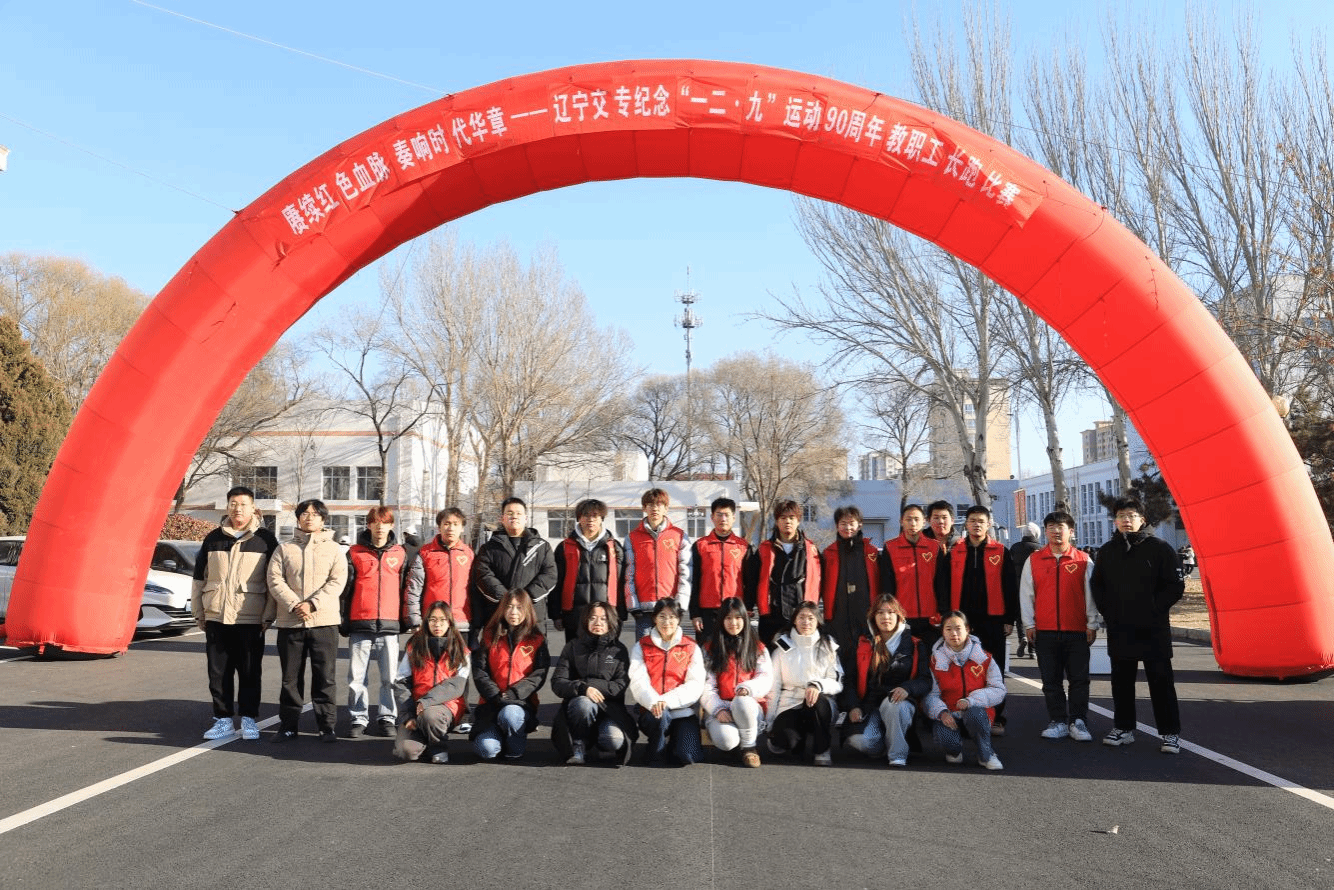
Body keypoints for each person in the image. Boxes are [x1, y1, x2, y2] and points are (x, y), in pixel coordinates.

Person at [1090, 496, 1185, 754]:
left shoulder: (1160, 548)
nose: (1126, 520)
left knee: (1161, 682)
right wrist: (1109, 611)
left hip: (1154, 628)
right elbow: (1097, 585)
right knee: (1121, 682)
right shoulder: (1108, 551)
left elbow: (1175, 586)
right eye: (1121, 516)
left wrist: (1153, 607)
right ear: (1115, 521)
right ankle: (1123, 728)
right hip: (1121, 628)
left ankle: (1170, 733)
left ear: (1142, 519)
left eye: (1131, 515)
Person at [193, 486, 278, 741]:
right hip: (217, 615)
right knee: (218, 672)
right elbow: (199, 578)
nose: (237, 509)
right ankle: (223, 720)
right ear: (227, 506)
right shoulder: (213, 538)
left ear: (253, 508)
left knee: (250, 671)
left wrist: (268, 616)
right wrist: (199, 612)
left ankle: (249, 719)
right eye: (233, 503)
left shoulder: (265, 540)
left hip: (250, 617)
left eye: (243, 504)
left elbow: (273, 582)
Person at [266, 498, 348, 743]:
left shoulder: (334, 550)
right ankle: (288, 726)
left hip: (324, 622)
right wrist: (294, 604)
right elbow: (274, 579)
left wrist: (312, 604)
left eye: (315, 514)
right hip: (290, 623)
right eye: (304, 513)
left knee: (325, 677)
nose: (309, 517)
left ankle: (326, 726)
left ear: (323, 519)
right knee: (290, 678)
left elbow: (337, 582)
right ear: (298, 518)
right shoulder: (284, 549)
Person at [1020, 511, 1100, 742]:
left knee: (1079, 680)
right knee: (1051, 681)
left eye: (1061, 527)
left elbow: (1090, 596)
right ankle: (1057, 721)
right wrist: (1029, 624)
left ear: (1071, 531)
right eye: (1051, 527)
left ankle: (1078, 721)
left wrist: (1092, 623)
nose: (1056, 531)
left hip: (1077, 631)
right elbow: (1026, 595)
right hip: (1045, 631)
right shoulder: (1033, 560)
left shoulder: (1083, 560)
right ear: (1045, 531)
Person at [941, 505, 1018, 734]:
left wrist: (1009, 618)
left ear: (988, 525)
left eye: (981, 521)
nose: (976, 525)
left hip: (993, 619)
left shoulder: (1001, 551)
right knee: (961, 668)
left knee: (994, 669)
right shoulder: (955, 551)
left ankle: (996, 717)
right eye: (972, 520)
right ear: (966, 524)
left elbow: (1010, 586)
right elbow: (944, 586)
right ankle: (961, 715)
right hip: (961, 622)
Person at [340, 506, 409, 738]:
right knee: (356, 678)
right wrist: (343, 619)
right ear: (368, 525)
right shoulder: (354, 552)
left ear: (392, 525)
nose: (380, 527)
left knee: (390, 678)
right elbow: (345, 590)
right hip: (360, 623)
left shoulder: (400, 553)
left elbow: (405, 589)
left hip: (389, 625)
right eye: (375, 522)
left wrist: (405, 619)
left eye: (385, 522)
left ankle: (387, 717)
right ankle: (358, 718)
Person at [841, 595, 931, 767]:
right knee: (861, 742)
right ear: (873, 617)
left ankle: (897, 755)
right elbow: (849, 680)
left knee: (894, 704)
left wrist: (907, 689)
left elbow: (925, 680)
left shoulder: (915, 644)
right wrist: (853, 706)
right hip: (869, 706)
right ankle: (884, 743)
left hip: (900, 704)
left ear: (899, 616)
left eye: (890, 612)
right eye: (880, 612)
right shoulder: (861, 643)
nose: (885, 617)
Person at [550, 601, 638, 766]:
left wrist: (591, 685)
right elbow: (557, 682)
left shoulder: (619, 650)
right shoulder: (572, 647)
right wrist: (583, 688)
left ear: (611, 621)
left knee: (613, 740)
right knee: (584, 703)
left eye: (603, 619)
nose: (598, 623)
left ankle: (599, 741)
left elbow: (620, 686)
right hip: (579, 707)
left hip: (610, 708)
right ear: (585, 621)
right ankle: (579, 743)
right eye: (593, 618)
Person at [469, 589, 550, 761]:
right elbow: (479, 671)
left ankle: (515, 747)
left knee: (510, 714)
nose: (514, 612)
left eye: (519, 608)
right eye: (509, 607)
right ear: (502, 609)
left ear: (527, 610)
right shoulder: (489, 636)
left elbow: (539, 673)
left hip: (520, 704)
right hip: (491, 703)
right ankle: (498, 736)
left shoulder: (537, 639)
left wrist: (515, 693)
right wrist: (495, 694)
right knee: (486, 750)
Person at [924, 611, 1007, 770]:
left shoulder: (985, 658)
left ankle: (986, 754)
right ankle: (954, 751)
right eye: (948, 629)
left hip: (978, 712)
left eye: (958, 628)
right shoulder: (935, 661)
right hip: (950, 714)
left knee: (975, 713)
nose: (954, 634)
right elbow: (930, 695)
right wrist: (941, 712)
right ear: (942, 632)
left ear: (967, 629)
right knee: (948, 744)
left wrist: (971, 701)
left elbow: (998, 690)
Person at [628, 598, 706, 766]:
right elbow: (638, 681)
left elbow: (695, 684)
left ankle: (672, 743)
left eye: (672, 617)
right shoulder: (641, 646)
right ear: (654, 618)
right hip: (653, 711)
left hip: (682, 712)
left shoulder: (691, 646)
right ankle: (656, 748)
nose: (667, 622)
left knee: (687, 756)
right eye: (662, 616)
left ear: (679, 619)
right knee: (661, 717)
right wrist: (655, 702)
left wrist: (666, 701)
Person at [766, 601, 843, 766]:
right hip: (790, 703)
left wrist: (817, 685)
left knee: (818, 702)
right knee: (785, 741)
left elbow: (837, 682)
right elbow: (774, 686)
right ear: (794, 620)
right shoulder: (782, 647)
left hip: (819, 703)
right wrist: (770, 720)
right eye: (801, 617)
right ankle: (796, 740)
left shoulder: (828, 645)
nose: (806, 622)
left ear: (818, 622)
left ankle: (822, 749)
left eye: (811, 618)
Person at [392, 601, 469, 764]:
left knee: (431, 715)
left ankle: (438, 747)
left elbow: (457, 685)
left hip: (446, 707)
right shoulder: (414, 645)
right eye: (432, 620)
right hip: (417, 708)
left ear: (450, 622)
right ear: (426, 622)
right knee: (406, 751)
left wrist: (426, 702)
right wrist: (407, 715)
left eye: (442, 620)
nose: (437, 624)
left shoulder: (460, 648)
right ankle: (426, 739)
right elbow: (401, 682)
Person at [701, 597, 773, 768]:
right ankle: (736, 740)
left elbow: (765, 677)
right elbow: (706, 685)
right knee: (726, 742)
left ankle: (749, 747)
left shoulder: (758, 647)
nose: (733, 623)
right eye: (728, 618)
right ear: (721, 620)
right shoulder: (710, 648)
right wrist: (717, 709)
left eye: (738, 618)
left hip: (748, 705)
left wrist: (747, 688)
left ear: (745, 619)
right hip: (722, 708)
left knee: (741, 702)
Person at [474, 497, 557, 632]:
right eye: (509, 513)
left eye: (519, 513)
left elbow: (550, 575)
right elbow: (482, 575)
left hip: (532, 612)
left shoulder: (541, 547)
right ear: (502, 518)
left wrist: (524, 599)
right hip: (499, 612)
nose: (514, 516)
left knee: (532, 645)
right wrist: (507, 600)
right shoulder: (489, 548)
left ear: (525, 518)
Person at [552, 498, 625, 649]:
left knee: (604, 658)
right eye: (586, 515)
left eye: (595, 515)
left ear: (601, 519)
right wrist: (556, 615)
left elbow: (621, 582)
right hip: (574, 617)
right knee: (576, 658)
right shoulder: (565, 547)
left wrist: (621, 614)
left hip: (606, 617)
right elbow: (556, 583)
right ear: (579, 518)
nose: (590, 519)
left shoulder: (613, 548)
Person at [821, 505, 881, 688]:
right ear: (837, 526)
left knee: (866, 654)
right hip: (838, 614)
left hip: (866, 612)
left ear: (860, 525)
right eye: (843, 523)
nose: (847, 527)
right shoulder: (829, 553)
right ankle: (842, 694)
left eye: (852, 523)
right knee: (841, 656)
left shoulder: (871, 552)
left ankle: (866, 693)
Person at [624, 488, 691, 641]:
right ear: (644, 508)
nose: (655, 508)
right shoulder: (632, 538)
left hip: (670, 608)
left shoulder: (679, 536)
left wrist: (680, 604)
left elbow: (685, 573)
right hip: (643, 609)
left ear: (666, 508)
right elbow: (629, 573)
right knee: (645, 650)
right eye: (650, 504)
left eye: (659, 504)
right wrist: (633, 605)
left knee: (670, 650)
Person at [755, 499, 821, 646]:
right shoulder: (764, 549)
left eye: (792, 518)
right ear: (777, 521)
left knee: (801, 653)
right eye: (783, 518)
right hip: (771, 616)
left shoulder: (810, 550)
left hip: (801, 616)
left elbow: (819, 582)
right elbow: (753, 580)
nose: (788, 522)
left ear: (798, 520)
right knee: (772, 655)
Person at [689, 497, 756, 641]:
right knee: (707, 651)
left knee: (734, 651)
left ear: (734, 518)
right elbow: (693, 581)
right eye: (719, 514)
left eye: (727, 515)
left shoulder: (743, 547)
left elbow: (750, 582)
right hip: (707, 611)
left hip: (734, 611)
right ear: (712, 517)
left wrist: (748, 608)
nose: (723, 519)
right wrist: (695, 613)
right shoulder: (700, 546)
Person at [882, 503, 947, 650]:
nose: (913, 523)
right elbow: (887, 584)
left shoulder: (934, 547)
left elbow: (941, 583)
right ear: (901, 521)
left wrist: (943, 612)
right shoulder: (890, 547)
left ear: (924, 522)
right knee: (905, 657)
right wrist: (890, 612)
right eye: (908, 519)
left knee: (931, 656)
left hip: (930, 617)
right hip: (902, 616)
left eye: (917, 519)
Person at [405, 508, 473, 638]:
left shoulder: (468, 554)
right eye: (446, 523)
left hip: (461, 623)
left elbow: (474, 590)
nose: (451, 528)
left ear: (462, 528)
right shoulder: (425, 553)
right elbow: (414, 588)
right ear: (439, 527)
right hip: (433, 624)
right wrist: (415, 620)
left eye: (456, 524)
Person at [1009, 521, 1043, 658]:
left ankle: (1022, 637)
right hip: (1035, 587)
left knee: (1019, 615)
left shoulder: (1014, 547)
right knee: (1034, 617)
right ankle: (1032, 649)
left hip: (1017, 585)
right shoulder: (1041, 549)